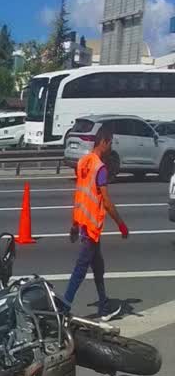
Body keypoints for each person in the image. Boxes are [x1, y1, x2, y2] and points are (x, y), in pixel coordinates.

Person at [64, 124, 128, 321]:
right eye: (110, 143)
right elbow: (106, 202)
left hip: (82, 223)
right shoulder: (100, 168)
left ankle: (104, 304)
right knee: (81, 268)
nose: (110, 148)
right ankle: (64, 308)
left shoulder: (83, 162)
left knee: (97, 266)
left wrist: (74, 224)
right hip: (91, 227)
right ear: (104, 142)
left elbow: (79, 196)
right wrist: (121, 224)